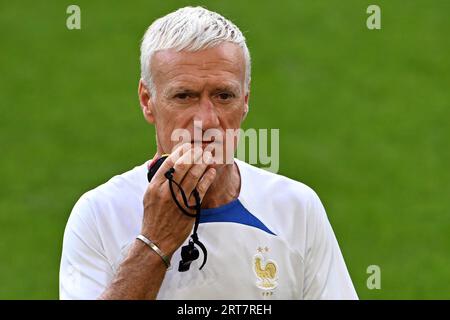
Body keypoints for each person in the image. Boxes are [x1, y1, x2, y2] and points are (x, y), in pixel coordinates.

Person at [59, 6, 358, 300]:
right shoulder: (100, 215)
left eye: (223, 95)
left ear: (245, 100)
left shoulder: (297, 210)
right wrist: (153, 244)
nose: (207, 120)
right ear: (147, 100)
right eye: (184, 96)